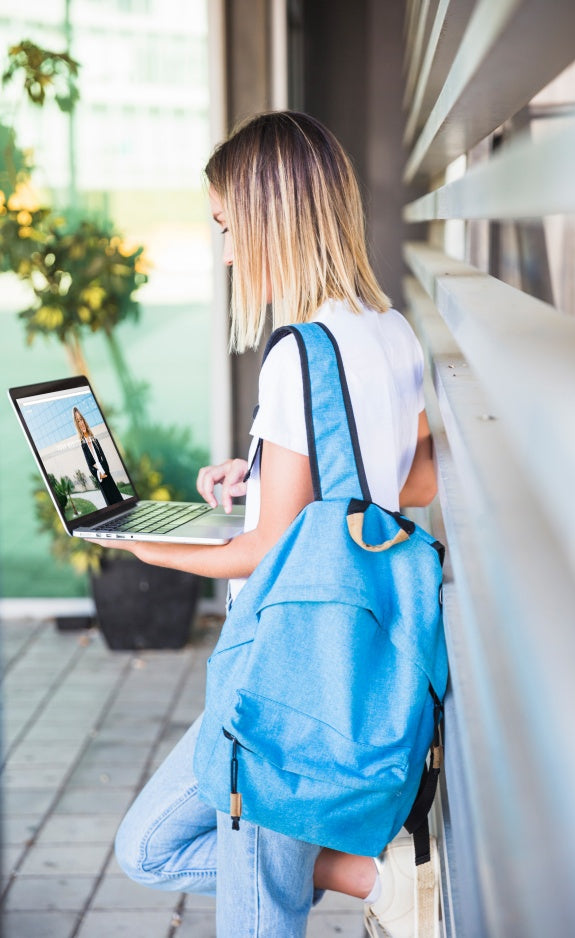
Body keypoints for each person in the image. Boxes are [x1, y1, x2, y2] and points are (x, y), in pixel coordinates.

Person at [96, 111, 438, 938]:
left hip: (279, 667)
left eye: (226, 226)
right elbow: (410, 478)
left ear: (271, 218)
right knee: (154, 846)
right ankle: (374, 875)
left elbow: (264, 550)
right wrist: (261, 470)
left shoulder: (300, 351)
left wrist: (141, 542)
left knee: (252, 910)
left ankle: (377, 879)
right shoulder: (389, 329)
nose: (224, 252)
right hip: (351, 651)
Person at [73, 407, 123, 506]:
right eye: (78, 421)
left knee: (118, 500)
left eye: (81, 419)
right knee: (111, 506)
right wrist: (99, 473)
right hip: (100, 478)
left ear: (84, 421)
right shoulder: (83, 444)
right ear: (77, 425)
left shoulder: (94, 440)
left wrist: (103, 469)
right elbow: (90, 465)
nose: (81, 423)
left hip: (107, 474)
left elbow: (103, 457)